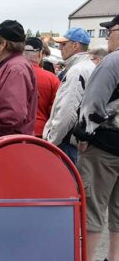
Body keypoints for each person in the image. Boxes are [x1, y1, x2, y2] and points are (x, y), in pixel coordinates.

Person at [74, 14, 119, 261]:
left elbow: (92, 104)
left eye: (110, 30)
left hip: (104, 146)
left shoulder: (113, 61)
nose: (107, 36)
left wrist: (83, 136)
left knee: (93, 204)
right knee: (118, 207)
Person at [43, 27, 95, 164]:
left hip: (67, 143)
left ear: (75, 45)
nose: (60, 48)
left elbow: (67, 112)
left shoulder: (77, 70)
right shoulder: (89, 67)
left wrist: (51, 140)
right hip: (79, 141)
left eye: (64, 44)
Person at [0, 20, 37, 136]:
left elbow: (12, 115)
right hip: (12, 142)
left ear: (3, 44)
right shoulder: (15, 65)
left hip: (9, 144)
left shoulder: (16, 68)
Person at [23, 37, 60, 137]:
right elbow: (55, 110)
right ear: (40, 54)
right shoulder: (52, 79)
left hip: (13, 133)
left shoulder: (12, 73)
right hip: (40, 132)